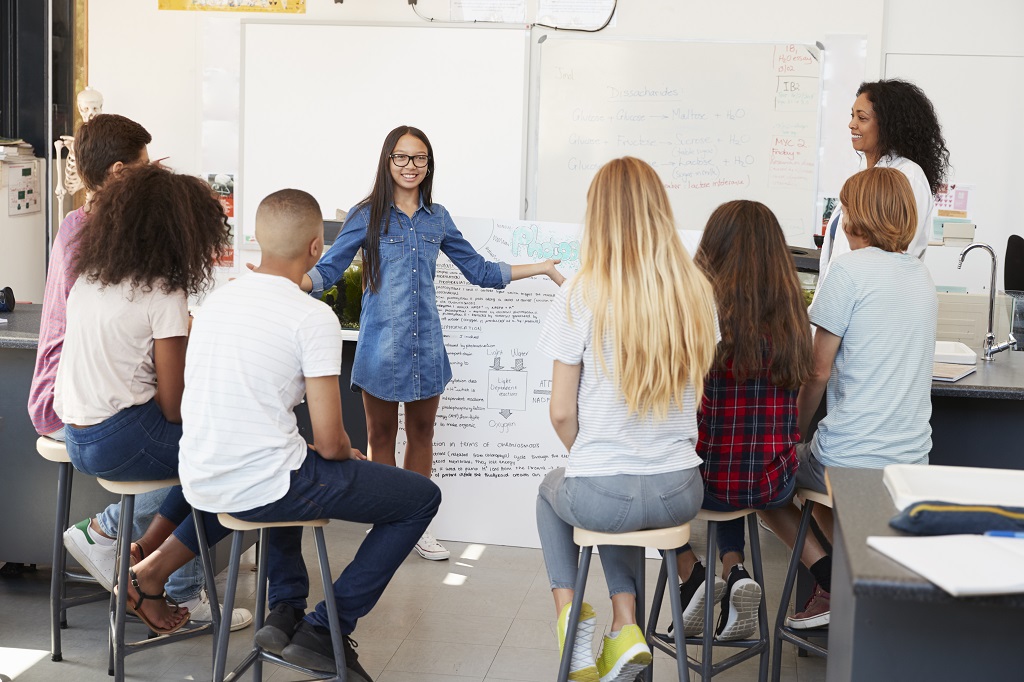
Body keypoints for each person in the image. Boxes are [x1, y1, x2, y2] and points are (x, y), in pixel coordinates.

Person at [176, 189, 441, 680]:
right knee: (420, 498)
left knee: (294, 455)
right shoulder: (309, 315)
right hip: (259, 486)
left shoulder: (216, 300)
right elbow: (332, 438)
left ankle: (285, 610)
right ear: (318, 247)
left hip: (200, 480)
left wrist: (322, 450)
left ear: (257, 239)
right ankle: (327, 629)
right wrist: (343, 453)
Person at [302, 125, 564, 561]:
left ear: (429, 165)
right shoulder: (366, 214)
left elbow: (478, 271)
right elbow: (329, 270)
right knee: (380, 436)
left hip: (427, 350)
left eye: (419, 158)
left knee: (423, 434)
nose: (410, 166)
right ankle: (386, 525)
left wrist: (539, 268)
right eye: (402, 158)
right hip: (380, 348)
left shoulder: (437, 217)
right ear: (388, 161)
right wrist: (288, 280)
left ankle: (416, 524)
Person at [27, 114, 247, 627]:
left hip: (78, 426)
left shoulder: (95, 272)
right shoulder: (161, 288)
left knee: (210, 452)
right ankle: (143, 566)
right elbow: (173, 406)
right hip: (112, 431)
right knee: (235, 461)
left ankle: (139, 554)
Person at [534, 157, 718, 682]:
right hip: (680, 490)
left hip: (605, 492)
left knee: (562, 490)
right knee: (619, 498)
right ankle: (625, 626)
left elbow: (561, 411)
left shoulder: (580, 292)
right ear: (659, 211)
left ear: (599, 216)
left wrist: (593, 459)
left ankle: (572, 626)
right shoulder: (696, 293)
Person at [759, 166, 938, 629]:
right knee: (821, 498)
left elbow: (817, 370)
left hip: (849, 457)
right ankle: (857, 583)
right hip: (910, 459)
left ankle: (836, 580)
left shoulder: (848, 271)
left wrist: (791, 434)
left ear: (858, 216)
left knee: (762, 472)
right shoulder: (922, 278)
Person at [669, 200, 813, 642]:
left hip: (709, 482)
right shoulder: (793, 320)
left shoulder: (697, 317)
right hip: (773, 482)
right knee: (735, 464)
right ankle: (736, 571)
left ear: (711, 249)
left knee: (664, 474)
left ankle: (691, 573)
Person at [819, 79, 952, 282]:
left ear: (888, 125)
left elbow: (898, 255)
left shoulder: (908, 176)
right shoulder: (862, 173)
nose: (851, 124)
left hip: (871, 301)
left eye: (862, 118)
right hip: (847, 295)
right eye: (852, 115)